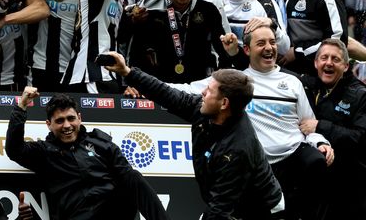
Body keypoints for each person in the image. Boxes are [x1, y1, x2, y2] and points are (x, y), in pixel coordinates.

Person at [102, 52, 285, 219]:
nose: (203, 93)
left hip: (261, 209)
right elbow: (166, 94)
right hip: (233, 203)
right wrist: (127, 72)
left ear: (224, 103)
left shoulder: (238, 149)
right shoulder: (204, 109)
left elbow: (219, 209)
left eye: (209, 91)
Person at [180, 25, 333, 219]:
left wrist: (321, 142)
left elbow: (309, 125)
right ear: (247, 50)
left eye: (272, 42)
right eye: (261, 43)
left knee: (317, 161)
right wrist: (135, 83)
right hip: (256, 166)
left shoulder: (293, 82)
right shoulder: (236, 83)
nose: (269, 47)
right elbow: (185, 90)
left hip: (291, 156)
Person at [6, 89, 169, 220]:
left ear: (79, 118)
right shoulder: (44, 151)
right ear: (49, 125)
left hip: (112, 212)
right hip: (76, 214)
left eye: (71, 118)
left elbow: (129, 180)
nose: (67, 125)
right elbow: (14, 150)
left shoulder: (102, 144)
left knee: (132, 176)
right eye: (60, 121)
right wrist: (22, 106)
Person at [123, 0, 234, 84]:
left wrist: (220, 84)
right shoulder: (150, 9)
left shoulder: (209, 7)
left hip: (198, 87)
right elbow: (136, 52)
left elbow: (223, 51)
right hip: (159, 87)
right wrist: (132, 83)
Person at [299, 38, 366, 219]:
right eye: (324, 58)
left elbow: (361, 138)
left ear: (345, 66)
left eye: (335, 59)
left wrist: (320, 126)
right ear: (316, 63)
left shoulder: (360, 95)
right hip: (312, 177)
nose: (329, 63)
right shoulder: (305, 85)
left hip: (348, 183)